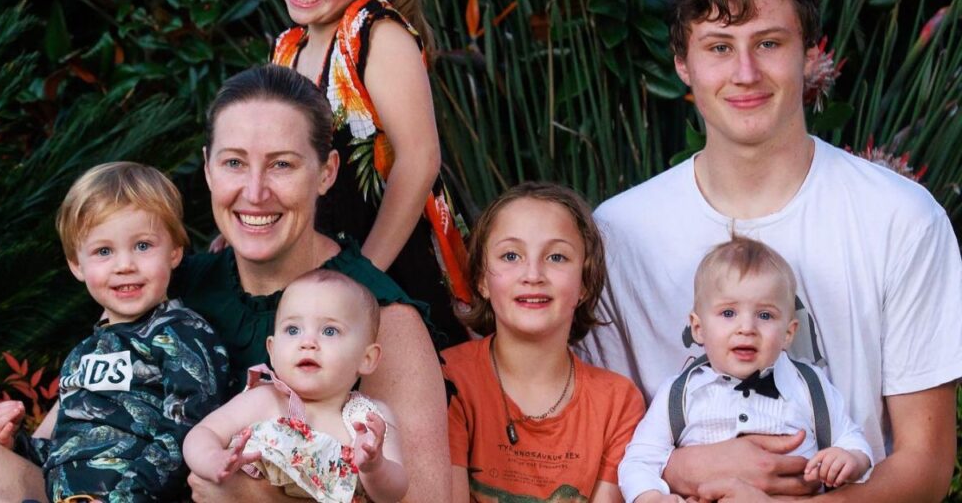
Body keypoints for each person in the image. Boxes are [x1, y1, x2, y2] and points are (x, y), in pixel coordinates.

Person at [580, 0, 962, 502]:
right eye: (718, 47)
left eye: (769, 43)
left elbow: (925, 469)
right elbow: (606, 455)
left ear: (809, 53)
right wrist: (679, 470)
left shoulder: (901, 219)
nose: (745, 72)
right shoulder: (618, 234)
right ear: (683, 65)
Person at [170, 65, 448, 502]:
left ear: (327, 171)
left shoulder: (377, 315)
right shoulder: (179, 286)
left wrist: (258, 500)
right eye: (234, 163)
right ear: (207, 169)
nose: (256, 192)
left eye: (282, 164)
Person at [0, 162, 229, 502]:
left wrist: (126, 497)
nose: (124, 265)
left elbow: (186, 433)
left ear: (175, 251)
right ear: (77, 265)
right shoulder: (84, 354)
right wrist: (14, 443)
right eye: (104, 251)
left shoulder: (182, 335)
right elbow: (67, 452)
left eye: (143, 246)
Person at [267, 0, 470, 344]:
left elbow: (419, 160)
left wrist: (364, 278)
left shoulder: (377, 36)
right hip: (319, 276)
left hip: (392, 264)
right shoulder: (287, 50)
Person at [618, 237, 872, 503]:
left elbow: (851, 437)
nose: (746, 328)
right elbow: (640, 459)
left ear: (788, 332)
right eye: (728, 313)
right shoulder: (679, 395)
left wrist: (850, 458)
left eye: (765, 315)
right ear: (698, 328)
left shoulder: (809, 386)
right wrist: (650, 497)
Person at [442, 182, 645, 503]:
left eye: (556, 256)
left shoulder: (618, 403)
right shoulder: (447, 378)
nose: (533, 274)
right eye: (511, 255)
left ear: (585, 283)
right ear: (481, 278)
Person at [184, 269, 407, 503]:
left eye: (329, 331)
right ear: (271, 349)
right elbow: (202, 433)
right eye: (293, 330)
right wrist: (212, 458)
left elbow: (393, 494)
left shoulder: (367, 419)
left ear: (367, 358)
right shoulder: (264, 400)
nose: (307, 342)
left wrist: (375, 467)